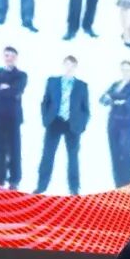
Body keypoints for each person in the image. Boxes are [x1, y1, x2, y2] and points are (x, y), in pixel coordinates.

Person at [35, 55, 90, 195]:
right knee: (47, 155)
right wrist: (45, 118)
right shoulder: (52, 81)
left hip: (72, 124)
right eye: (67, 64)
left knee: (73, 157)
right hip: (55, 121)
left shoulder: (82, 86)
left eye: (72, 65)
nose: (69, 67)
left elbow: (85, 108)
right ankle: (41, 186)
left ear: (75, 67)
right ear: (63, 65)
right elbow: (45, 101)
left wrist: (82, 125)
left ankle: (74, 188)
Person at [0, 45, 27, 188]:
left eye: (12, 56)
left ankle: (14, 180)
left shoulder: (21, 75)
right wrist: (2, 87)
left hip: (13, 116)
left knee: (14, 149)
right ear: (3, 57)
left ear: (16, 58)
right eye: (7, 55)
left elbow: (15, 90)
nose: (9, 58)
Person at [100, 60, 130, 188]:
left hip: (126, 124)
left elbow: (129, 104)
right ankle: (118, 185)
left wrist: (112, 98)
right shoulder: (114, 85)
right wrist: (117, 99)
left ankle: (128, 183)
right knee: (115, 153)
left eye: (128, 70)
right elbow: (102, 99)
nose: (125, 72)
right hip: (112, 123)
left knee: (126, 153)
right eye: (123, 69)